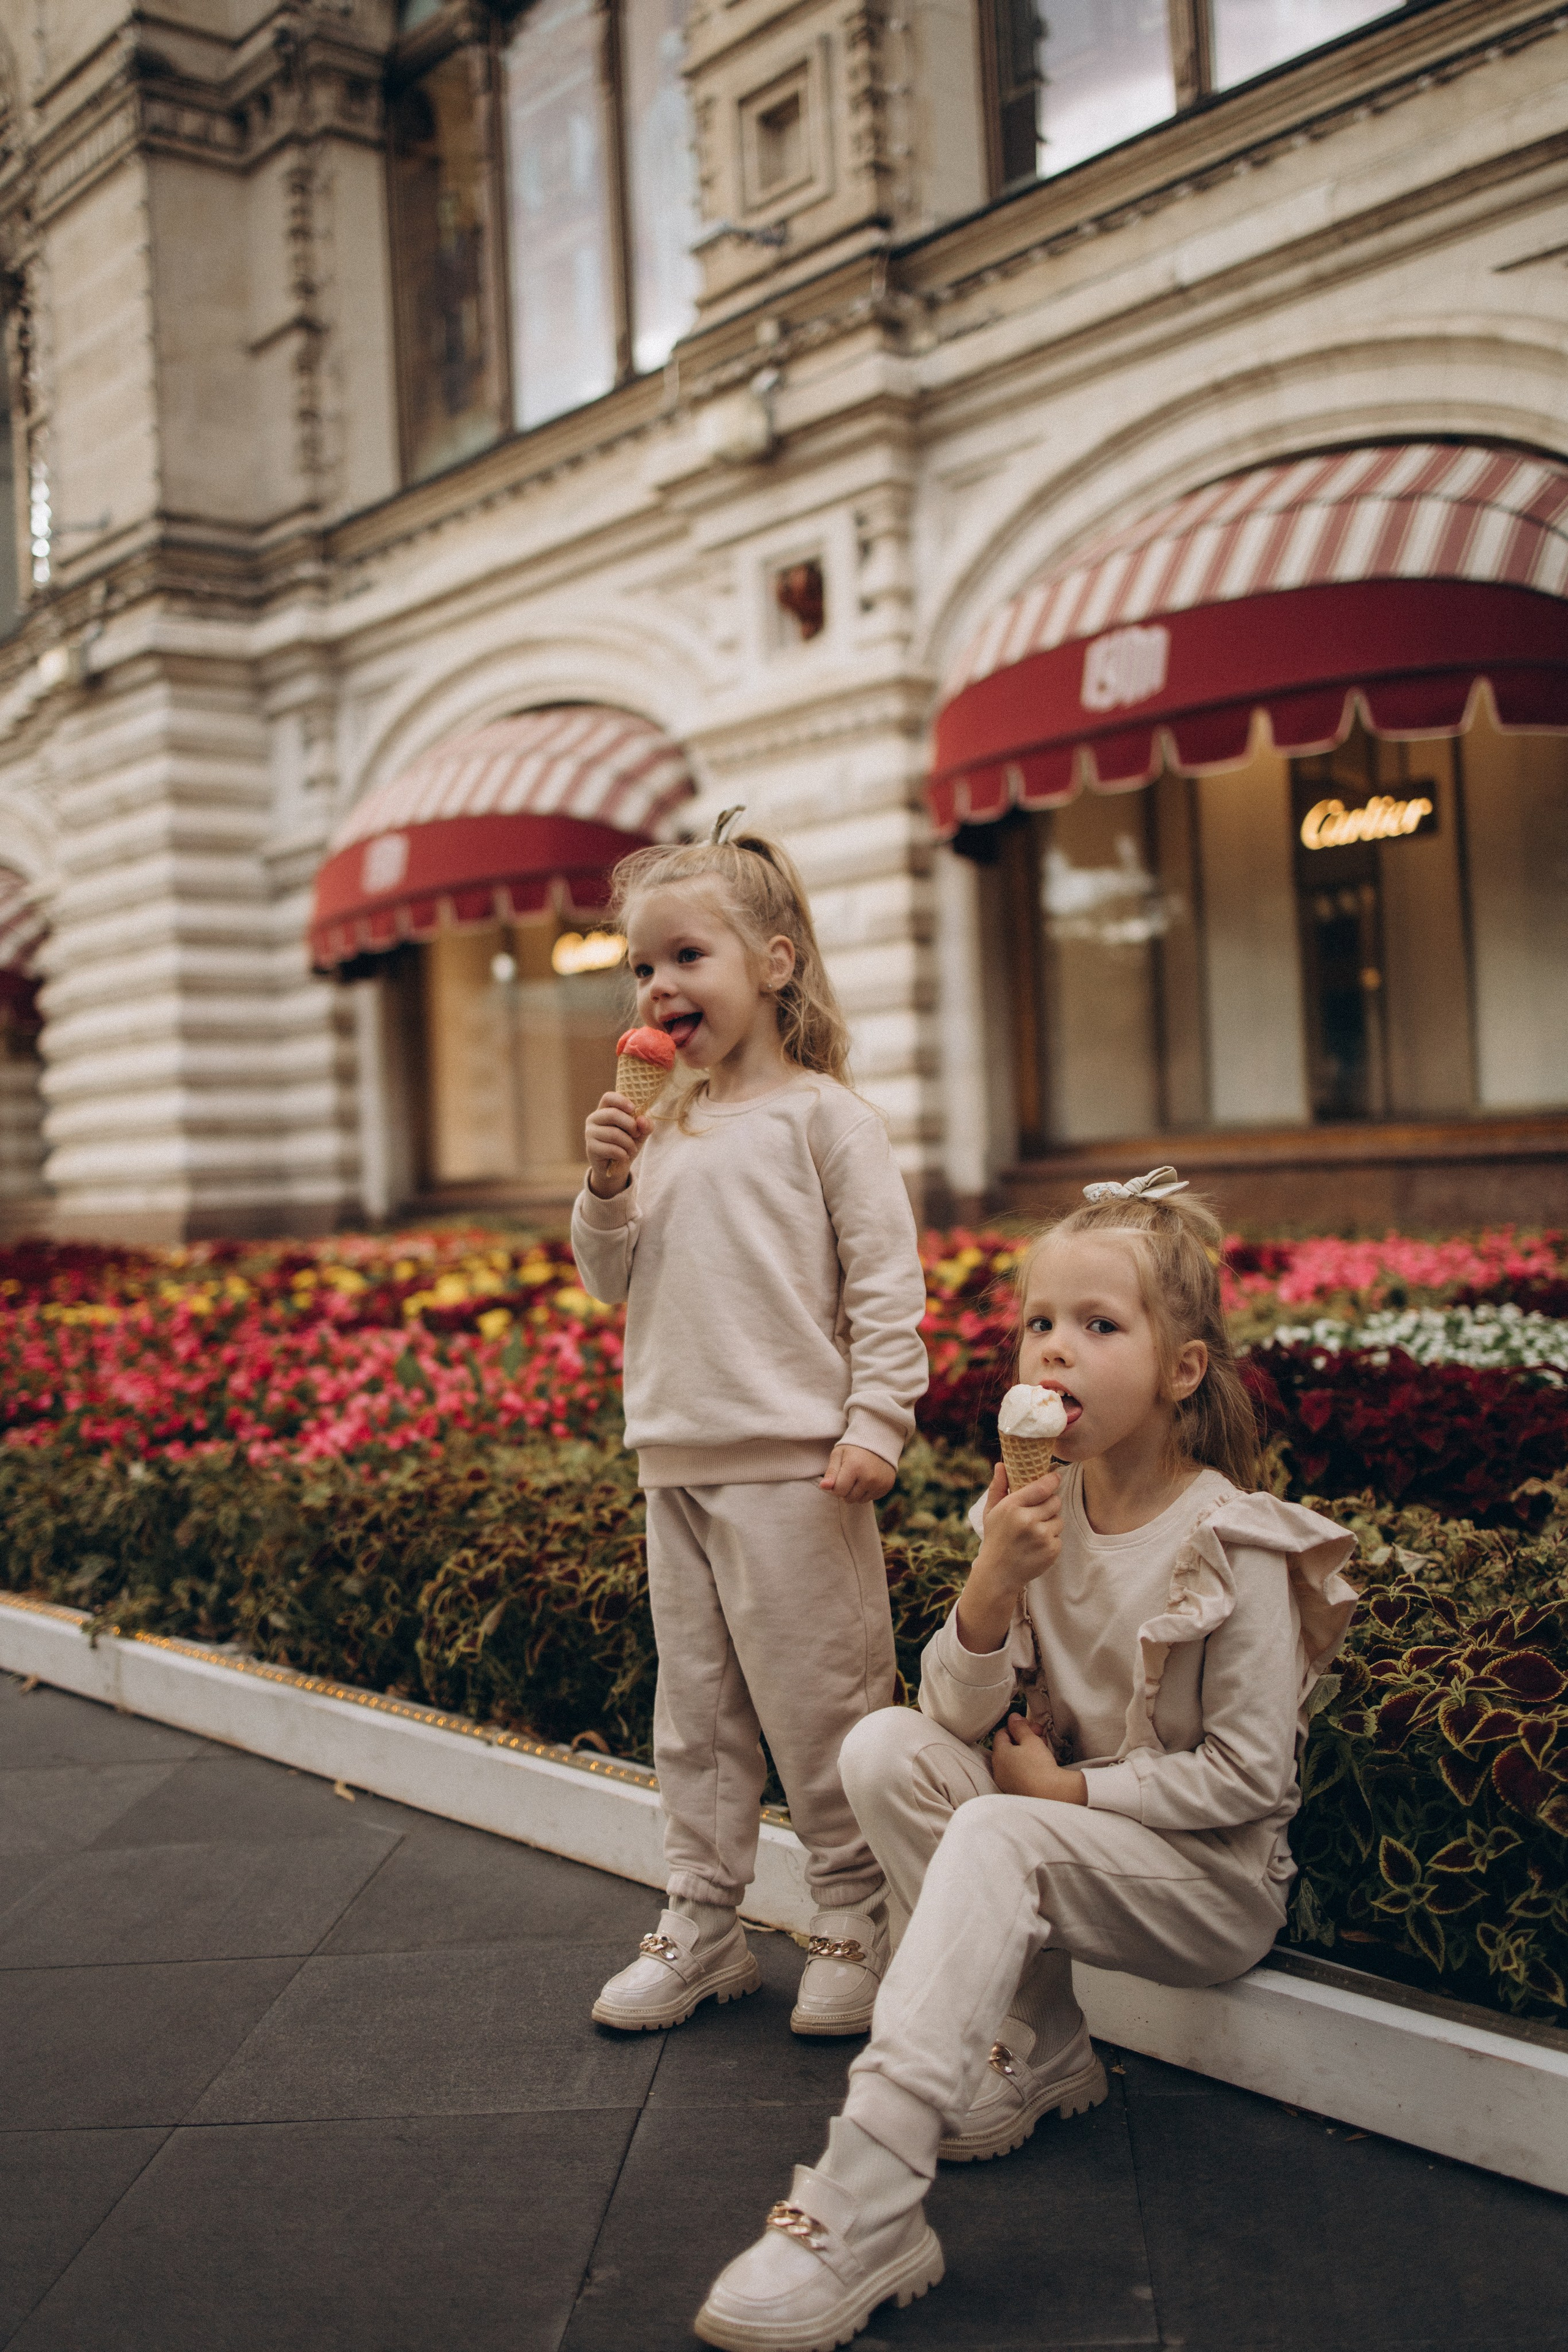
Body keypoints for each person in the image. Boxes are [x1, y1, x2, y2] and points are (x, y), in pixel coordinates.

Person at [695, 1170, 1359, 2351]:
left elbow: (1251, 1779)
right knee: (884, 1747)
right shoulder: (1031, 1511)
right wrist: (992, 1584)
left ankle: (865, 2196)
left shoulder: (1234, 1543)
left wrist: (1074, 1788)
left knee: (1002, 1828)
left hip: (1206, 1884)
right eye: (1039, 1322)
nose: (1055, 1350)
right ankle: (1041, 2043)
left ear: (1182, 1371)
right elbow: (954, 1717)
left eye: (1099, 1326)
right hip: (1064, 1836)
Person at [572, 810, 929, 2041]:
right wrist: (604, 1187)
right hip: (673, 1457)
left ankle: (852, 1914)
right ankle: (703, 1919)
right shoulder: (660, 1127)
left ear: (775, 964)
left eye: (687, 956)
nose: (658, 985)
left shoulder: (826, 1120)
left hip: (796, 1469)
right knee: (698, 1717)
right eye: (641, 965)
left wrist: (876, 1422)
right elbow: (608, 1280)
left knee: (822, 1703)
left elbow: (886, 1286)